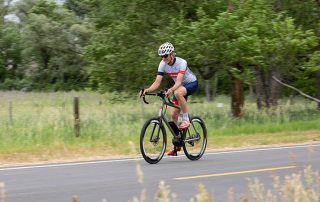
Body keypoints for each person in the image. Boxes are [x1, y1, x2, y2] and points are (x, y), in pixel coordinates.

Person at [141, 42, 198, 156]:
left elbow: (179, 82)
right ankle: (177, 145)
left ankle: (186, 120)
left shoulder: (182, 63)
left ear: (172, 54)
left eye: (166, 55)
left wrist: (171, 90)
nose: (164, 58)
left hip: (191, 84)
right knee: (174, 115)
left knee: (177, 92)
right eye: (162, 56)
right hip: (180, 88)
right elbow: (157, 82)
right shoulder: (162, 64)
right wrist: (147, 90)